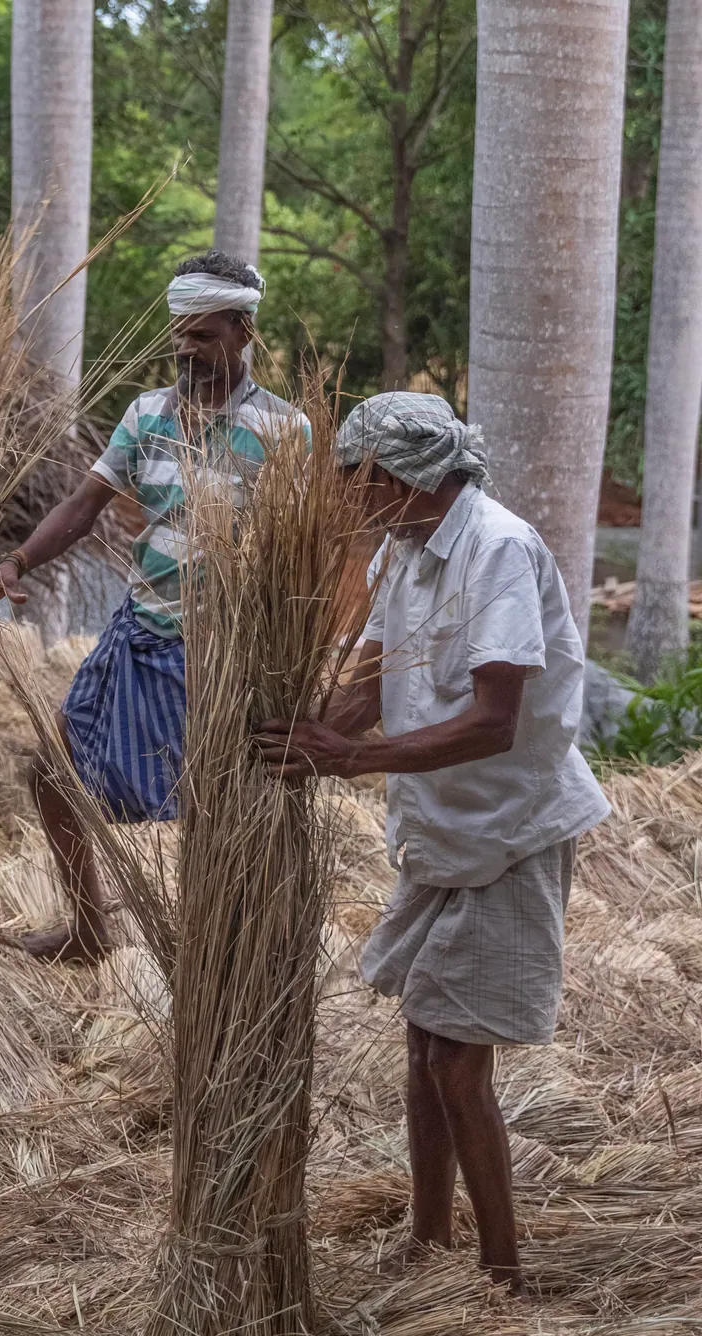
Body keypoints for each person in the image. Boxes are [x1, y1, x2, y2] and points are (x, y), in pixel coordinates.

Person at [255, 391, 610, 1291]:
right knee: (423, 1042)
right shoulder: (403, 550)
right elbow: (370, 681)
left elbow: (496, 720)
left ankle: (501, 1274)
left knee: (456, 1060)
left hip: (512, 828)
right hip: (443, 827)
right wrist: (304, 743)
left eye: (349, 479)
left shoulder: (496, 548)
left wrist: (350, 759)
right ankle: (428, 1240)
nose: (342, 496)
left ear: (391, 476)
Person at [0, 249, 308, 962]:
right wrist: (13, 565)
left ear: (243, 331)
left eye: (202, 335)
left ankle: (219, 952)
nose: (184, 348)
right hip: (139, 631)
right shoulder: (148, 414)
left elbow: (304, 561)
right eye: (178, 333)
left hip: (224, 653)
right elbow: (85, 507)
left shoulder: (285, 433)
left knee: (214, 805)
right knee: (53, 774)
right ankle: (89, 932)